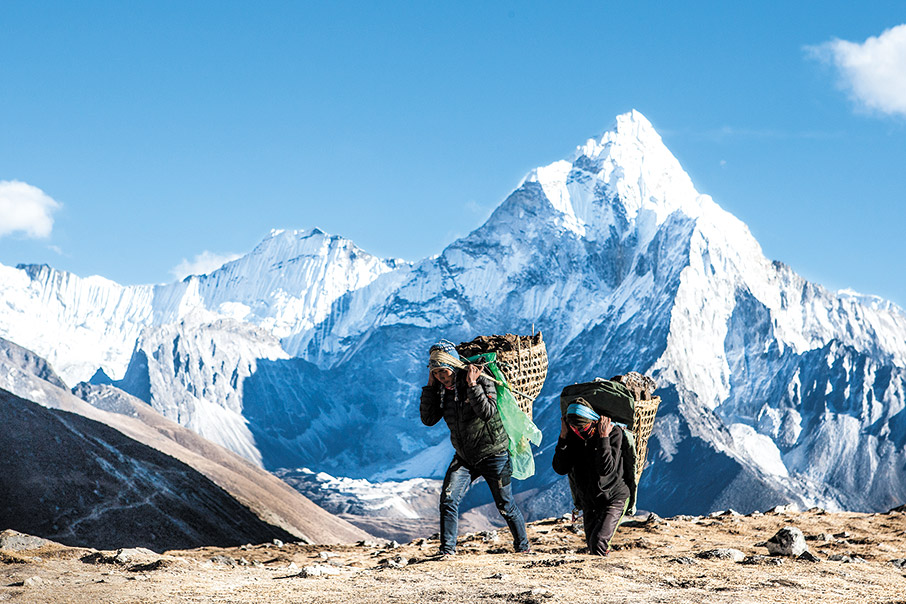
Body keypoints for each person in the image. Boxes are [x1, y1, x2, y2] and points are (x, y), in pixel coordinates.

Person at [419, 339, 531, 556]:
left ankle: (523, 548)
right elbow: (428, 419)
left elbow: (488, 412)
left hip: (493, 452)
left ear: (453, 365)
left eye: (443, 371)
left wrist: (472, 385)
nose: (441, 377)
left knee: (505, 505)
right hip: (465, 456)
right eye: (436, 372)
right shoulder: (441, 390)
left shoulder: (480, 378)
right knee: (448, 500)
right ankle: (447, 551)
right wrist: (430, 387)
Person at [552, 400, 630, 556]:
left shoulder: (613, 433)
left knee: (598, 541)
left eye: (582, 428)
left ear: (594, 421)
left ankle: (603, 571)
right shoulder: (573, 438)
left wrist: (603, 438)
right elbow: (560, 468)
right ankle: (604, 569)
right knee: (593, 546)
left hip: (613, 499)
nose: (578, 431)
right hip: (590, 502)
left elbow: (606, 469)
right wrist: (563, 437)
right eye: (573, 427)